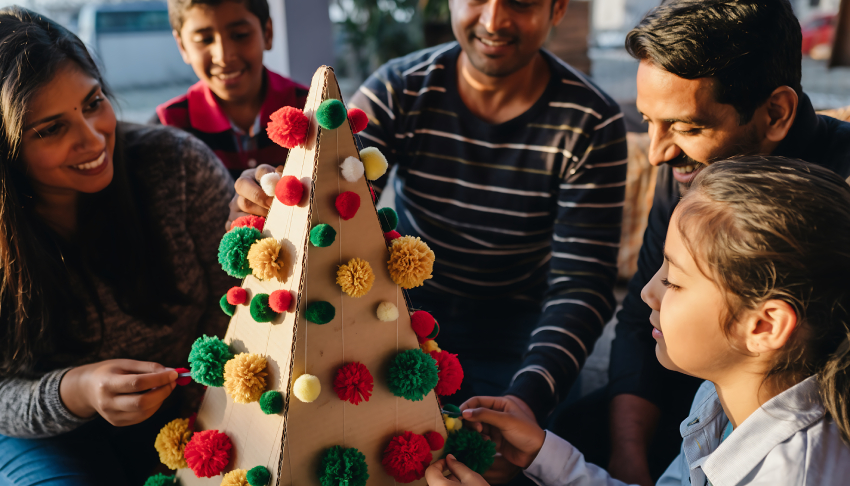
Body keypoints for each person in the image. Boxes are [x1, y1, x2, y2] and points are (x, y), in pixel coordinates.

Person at [231, 5, 627, 482]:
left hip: (524, 325)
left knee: (517, 468)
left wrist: (530, 396)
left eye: (520, 1)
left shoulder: (591, 119)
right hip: (404, 312)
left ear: (558, 8)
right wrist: (278, 200)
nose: (494, 20)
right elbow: (334, 192)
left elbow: (581, 284)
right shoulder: (402, 86)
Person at [551, 2, 850, 484]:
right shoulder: (689, 170)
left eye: (688, 127)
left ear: (775, 112)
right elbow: (635, 319)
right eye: (648, 120)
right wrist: (631, 457)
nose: (655, 153)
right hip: (701, 395)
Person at [426, 157, 850, 486]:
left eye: (674, 281)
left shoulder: (797, 473)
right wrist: (543, 451)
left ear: (764, 326)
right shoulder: (721, 397)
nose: (648, 291)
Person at [0, 7, 235, 485]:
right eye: (50, 129)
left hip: (200, 407)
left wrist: (190, 431)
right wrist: (78, 389)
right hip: (48, 437)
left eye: (92, 102)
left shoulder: (179, 166)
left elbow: (237, 305)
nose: (92, 138)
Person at [153, 0, 308, 180]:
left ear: (267, 33)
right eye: (205, 40)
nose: (224, 57)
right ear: (183, 46)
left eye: (240, 35)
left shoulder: (311, 110)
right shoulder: (168, 127)